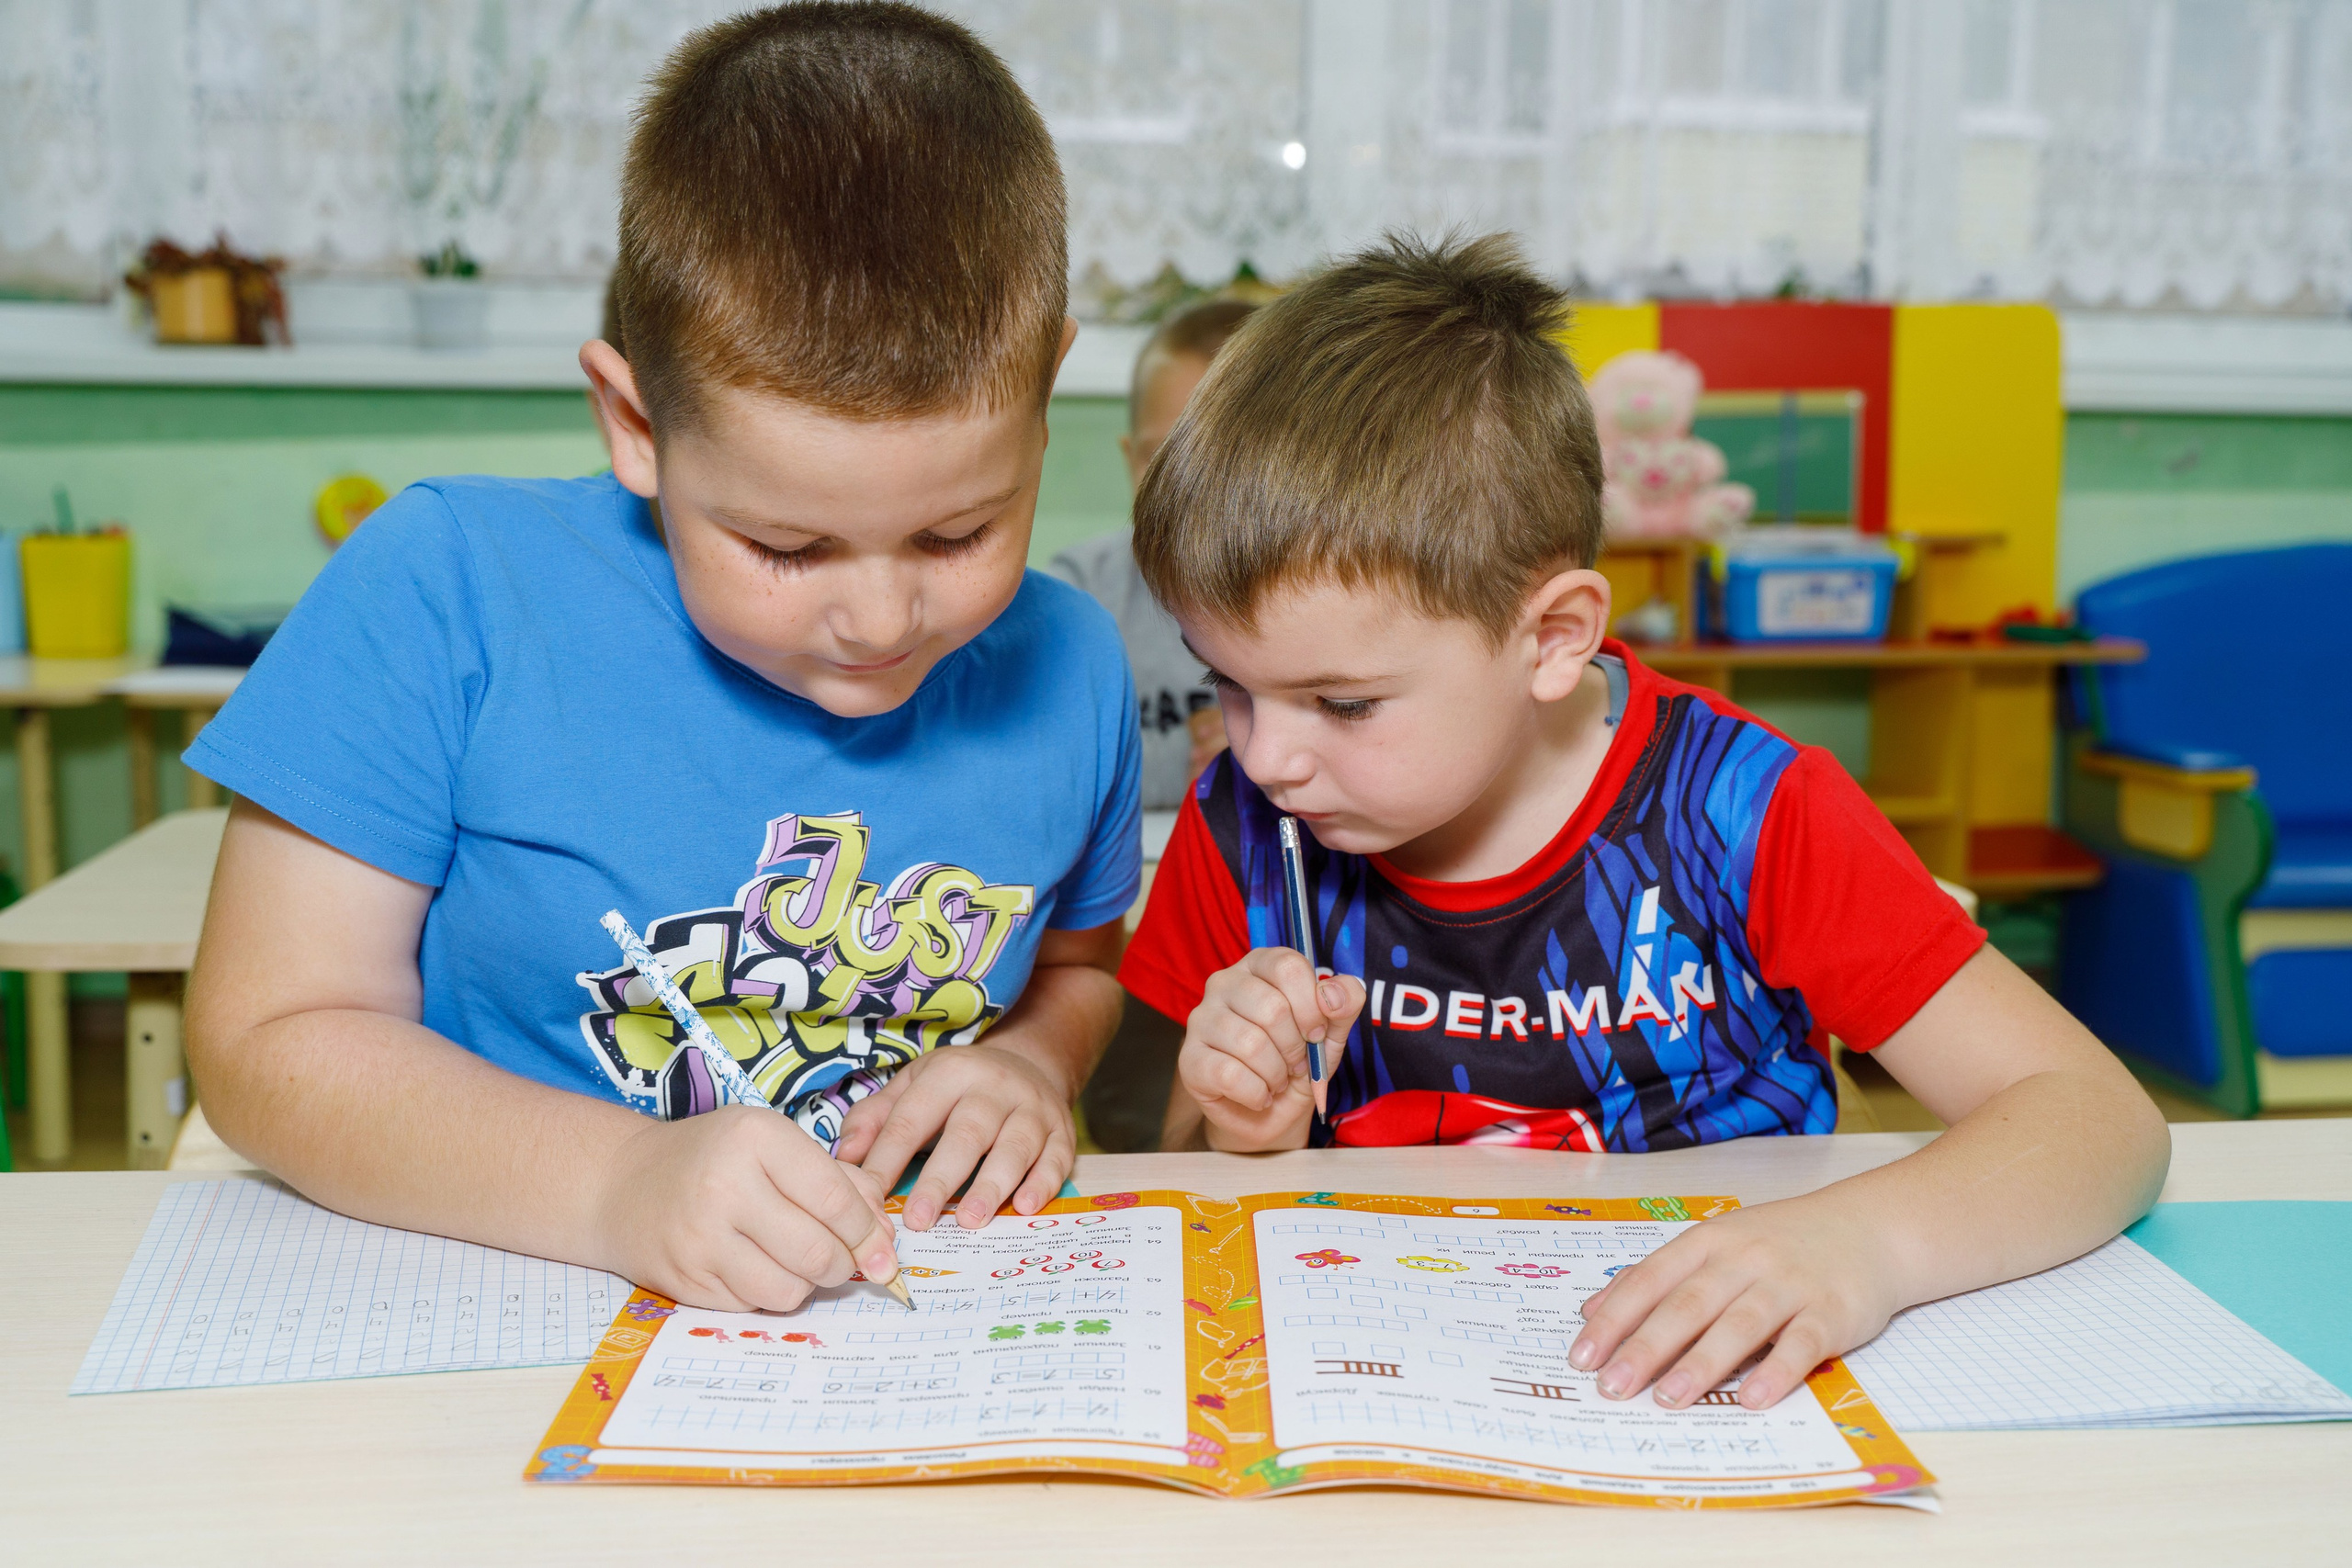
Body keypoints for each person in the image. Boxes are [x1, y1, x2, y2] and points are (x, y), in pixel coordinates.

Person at [182, 4, 1139, 1315]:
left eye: (957, 531)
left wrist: (1033, 1061)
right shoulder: (449, 587)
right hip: (498, 1306)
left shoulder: (1074, 664)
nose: (880, 618)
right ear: (635, 423)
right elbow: (268, 1041)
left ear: (1046, 396)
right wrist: (616, 1185)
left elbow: (1080, 969)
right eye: (787, 545)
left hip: (910, 1327)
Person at [1119, 233, 2169, 1413]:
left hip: (1723, 1385)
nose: (1267, 756)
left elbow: (2101, 1123)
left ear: (1552, 638)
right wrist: (1244, 1124)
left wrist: (1864, 1244)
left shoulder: (1744, 810)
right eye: (1228, 683)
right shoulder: (1242, 824)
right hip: (1408, 1377)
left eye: (1343, 702)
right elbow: (1189, 1158)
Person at [1048, 297, 1258, 810]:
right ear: (1129, 459)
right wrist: (1194, 767)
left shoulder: (1318, 596)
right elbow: (1047, 768)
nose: (1185, 491)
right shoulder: (1080, 591)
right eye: (1160, 461)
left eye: (1226, 462)